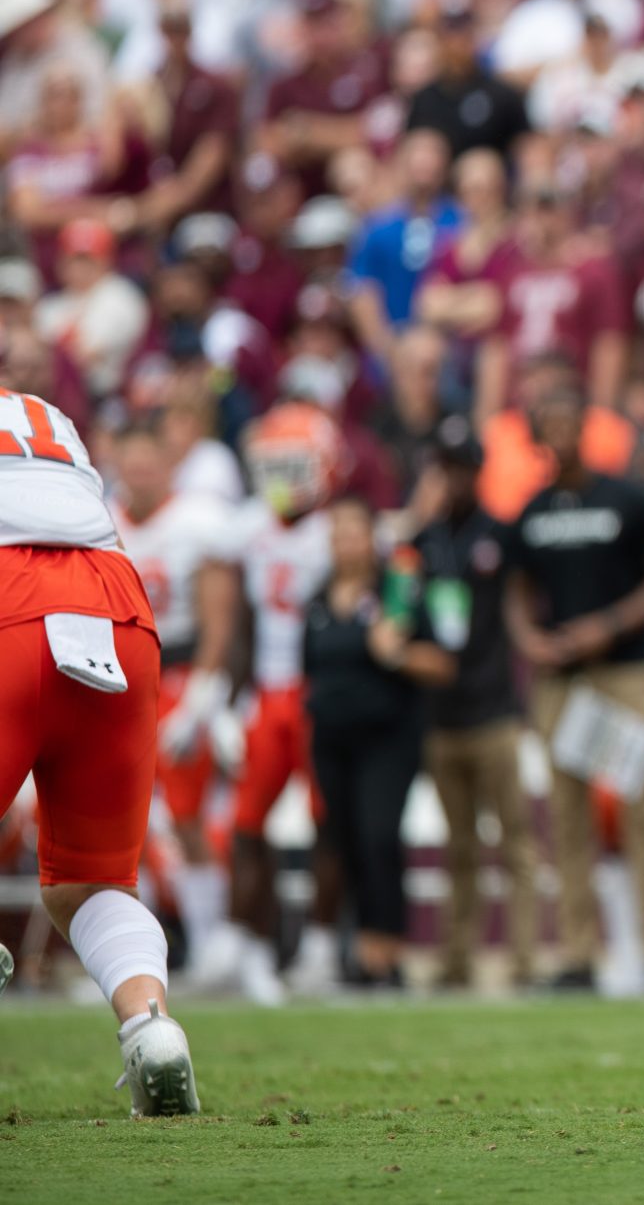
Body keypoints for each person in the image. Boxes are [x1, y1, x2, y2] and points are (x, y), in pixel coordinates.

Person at [0, 379, 200, 1113]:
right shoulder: (47, 415)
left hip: (7, 598)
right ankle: (151, 1027)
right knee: (91, 883)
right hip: (114, 602)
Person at [501, 380, 644, 991]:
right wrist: (531, 641)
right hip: (561, 678)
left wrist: (608, 626)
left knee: (641, 807)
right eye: (545, 424)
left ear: (585, 427)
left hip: (623, 668)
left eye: (566, 421)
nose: (558, 434)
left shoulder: (627, 498)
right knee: (566, 812)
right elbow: (518, 592)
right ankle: (579, 952)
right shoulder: (533, 511)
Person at [218, 401, 347, 1005]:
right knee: (247, 824)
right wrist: (224, 696)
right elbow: (242, 621)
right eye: (274, 464)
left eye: (294, 464)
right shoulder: (249, 529)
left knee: (326, 823)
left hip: (318, 694)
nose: (282, 478)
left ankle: (319, 947)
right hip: (267, 696)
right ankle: (253, 946)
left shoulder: (334, 532)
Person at [411, 416, 543, 992]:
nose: (456, 479)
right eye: (447, 468)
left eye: (464, 467)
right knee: (459, 844)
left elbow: (520, 607)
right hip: (444, 714)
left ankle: (524, 958)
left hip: (495, 709)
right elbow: (401, 609)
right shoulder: (424, 540)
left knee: (514, 840)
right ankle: (456, 959)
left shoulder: (501, 534)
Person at [109, 416, 243, 975]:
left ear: (169, 466)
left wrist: (204, 697)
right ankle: (148, 947)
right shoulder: (102, 519)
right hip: (117, 677)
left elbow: (219, 620)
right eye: (131, 463)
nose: (140, 475)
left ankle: (212, 940)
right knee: (120, 822)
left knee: (186, 814)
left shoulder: (197, 521)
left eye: (150, 463)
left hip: (179, 673)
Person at [304, 495, 451, 986]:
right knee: (344, 842)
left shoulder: (399, 590)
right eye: (337, 535)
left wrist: (395, 654)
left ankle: (389, 948)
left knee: (380, 836)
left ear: (372, 539)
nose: (346, 545)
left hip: (387, 736)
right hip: (332, 738)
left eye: (355, 533)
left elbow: (441, 663)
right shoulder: (319, 598)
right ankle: (362, 948)